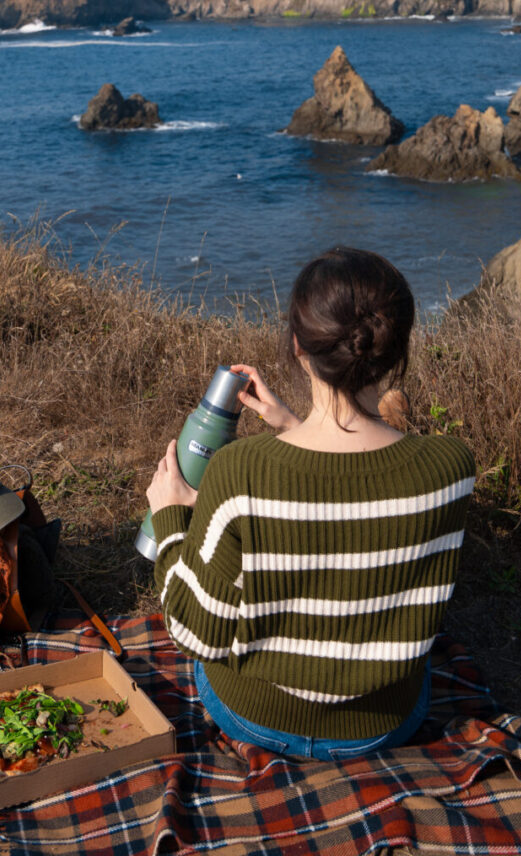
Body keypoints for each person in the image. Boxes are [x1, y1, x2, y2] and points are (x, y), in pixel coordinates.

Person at [146, 247, 475, 759]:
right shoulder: (450, 468)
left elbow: (194, 632)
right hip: (386, 722)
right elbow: (349, 493)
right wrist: (292, 426)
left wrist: (171, 518)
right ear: (398, 346)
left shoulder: (241, 471)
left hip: (252, 715)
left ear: (298, 345)